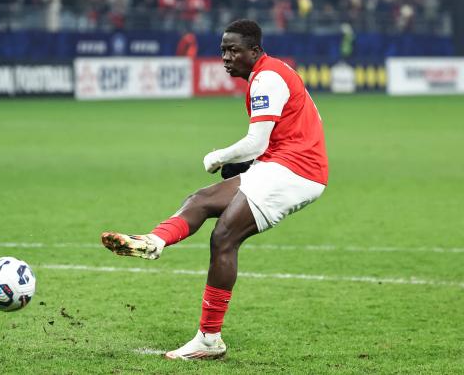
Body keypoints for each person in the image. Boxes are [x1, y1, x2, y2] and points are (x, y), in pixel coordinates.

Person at [101, 19, 328, 360]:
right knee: (201, 199)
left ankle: (209, 339)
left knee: (224, 237)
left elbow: (257, 141)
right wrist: (247, 165)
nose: (225, 57)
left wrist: (217, 157)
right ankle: (152, 242)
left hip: (296, 172)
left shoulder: (267, 78)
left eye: (234, 50)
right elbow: (282, 135)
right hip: (280, 165)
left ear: (255, 50)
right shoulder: (270, 74)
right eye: (223, 50)